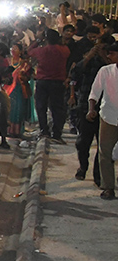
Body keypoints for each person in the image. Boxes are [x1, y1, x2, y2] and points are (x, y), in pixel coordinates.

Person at [71, 39, 111, 183]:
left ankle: (98, 175)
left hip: (107, 109)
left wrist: (104, 57)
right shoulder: (90, 62)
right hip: (86, 106)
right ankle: (83, 167)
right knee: (83, 142)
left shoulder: (109, 66)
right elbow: (75, 73)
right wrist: (90, 56)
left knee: (103, 145)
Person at [86, 43, 118, 201]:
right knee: (105, 152)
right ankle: (108, 187)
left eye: (112, 53)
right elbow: (95, 92)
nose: (109, 56)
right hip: (108, 117)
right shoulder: (105, 71)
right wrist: (91, 109)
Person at [30, 28, 71, 142]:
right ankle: (57, 133)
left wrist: (38, 40)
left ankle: (44, 131)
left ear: (46, 39)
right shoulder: (64, 50)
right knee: (57, 108)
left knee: (41, 107)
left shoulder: (41, 50)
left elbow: (29, 51)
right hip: (58, 82)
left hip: (43, 81)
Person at [8, 42, 35, 139]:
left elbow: (30, 75)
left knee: (19, 109)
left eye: (16, 48)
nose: (13, 50)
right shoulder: (8, 61)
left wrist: (23, 77)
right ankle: (8, 130)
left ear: (20, 51)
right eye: (12, 48)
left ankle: (17, 131)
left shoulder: (24, 64)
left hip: (20, 89)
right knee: (9, 109)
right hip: (9, 89)